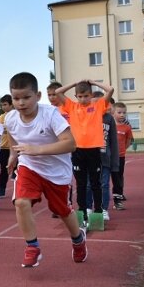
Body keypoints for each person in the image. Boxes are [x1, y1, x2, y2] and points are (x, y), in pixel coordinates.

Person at [4, 72, 86, 268]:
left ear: (38, 96)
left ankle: (78, 239)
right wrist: (13, 156)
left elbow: (70, 144)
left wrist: (38, 150)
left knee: (62, 211)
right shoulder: (10, 118)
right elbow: (14, 137)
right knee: (21, 202)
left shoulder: (50, 114)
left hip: (57, 172)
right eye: (16, 98)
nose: (21, 103)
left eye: (26, 97)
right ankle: (32, 246)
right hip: (29, 166)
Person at [55, 79, 114, 226]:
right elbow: (57, 92)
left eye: (86, 96)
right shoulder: (72, 106)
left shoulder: (98, 106)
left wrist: (93, 82)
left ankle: (98, 211)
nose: (83, 99)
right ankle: (82, 211)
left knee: (95, 183)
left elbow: (110, 90)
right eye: (79, 96)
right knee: (80, 184)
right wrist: (74, 84)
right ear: (76, 96)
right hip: (78, 150)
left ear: (91, 95)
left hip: (94, 151)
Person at [85, 93, 118, 222]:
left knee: (104, 184)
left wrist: (114, 163)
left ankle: (104, 209)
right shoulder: (87, 116)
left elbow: (113, 141)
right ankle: (88, 208)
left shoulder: (109, 118)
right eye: (92, 102)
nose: (94, 105)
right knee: (88, 184)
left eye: (97, 102)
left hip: (105, 158)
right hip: (89, 158)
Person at [111, 102, 134, 210]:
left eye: (124, 113)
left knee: (118, 179)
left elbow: (128, 141)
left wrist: (122, 150)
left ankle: (118, 201)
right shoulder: (109, 125)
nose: (122, 115)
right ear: (113, 112)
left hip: (120, 157)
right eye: (119, 112)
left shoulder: (127, 128)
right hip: (107, 157)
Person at [0, 94, 13, 198]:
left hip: (16, 148)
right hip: (3, 148)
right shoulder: (1, 117)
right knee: (4, 169)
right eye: (2, 105)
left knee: (19, 169)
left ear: (11, 105)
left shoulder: (17, 115)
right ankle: (1, 189)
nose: (3, 107)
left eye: (5, 104)